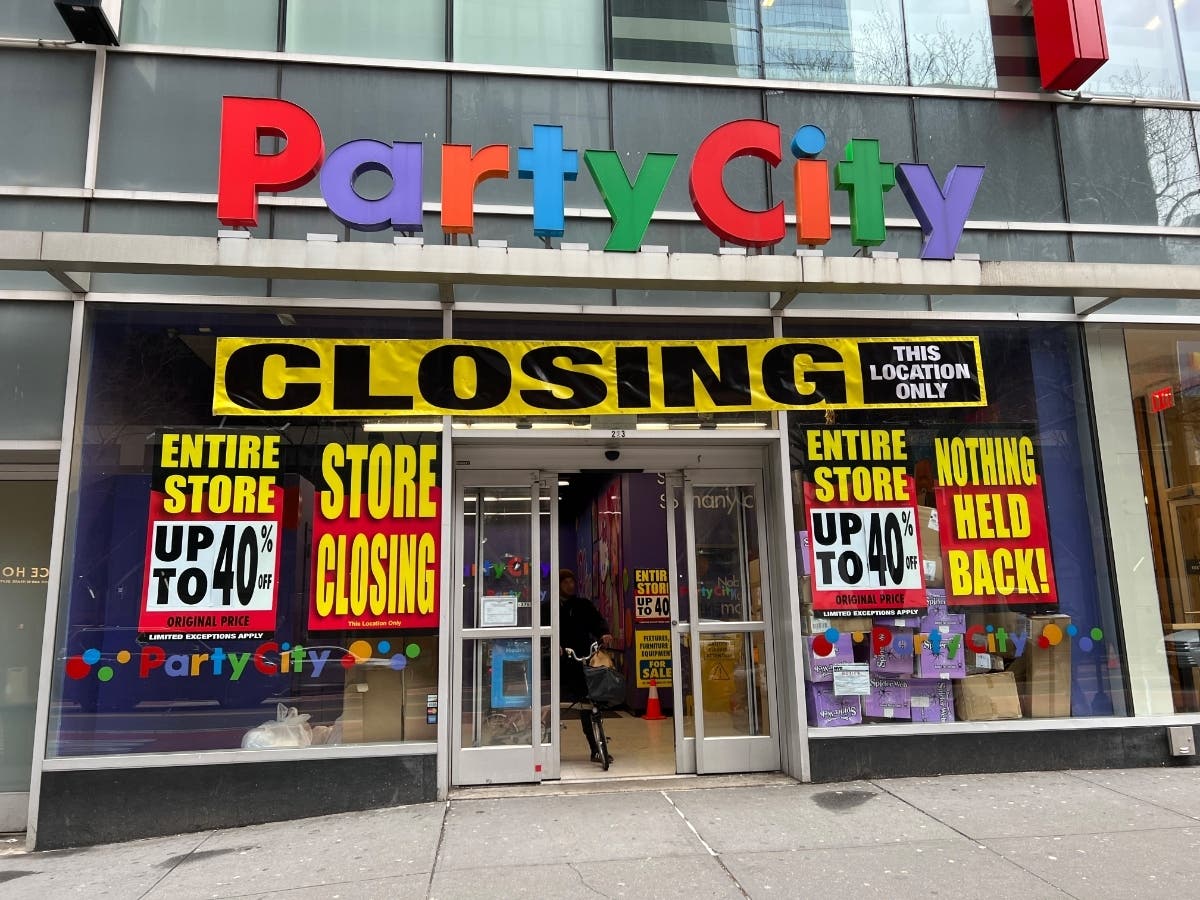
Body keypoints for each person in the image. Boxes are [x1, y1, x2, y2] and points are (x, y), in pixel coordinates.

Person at [543, 569, 613, 762]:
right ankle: (547, 749)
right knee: (551, 705)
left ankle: (596, 748)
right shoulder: (548, 608)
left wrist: (603, 633)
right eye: (565, 582)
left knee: (587, 705)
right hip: (557, 662)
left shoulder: (583, 605)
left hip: (581, 659)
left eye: (572, 581)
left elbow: (597, 621)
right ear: (558, 585)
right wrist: (551, 644)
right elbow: (541, 630)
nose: (570, 585)